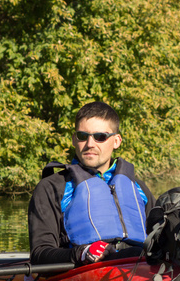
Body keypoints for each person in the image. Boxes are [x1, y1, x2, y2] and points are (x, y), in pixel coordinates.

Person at [28, 101, 154, 265]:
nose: (90, 144)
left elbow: (159, 239)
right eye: (82, 136)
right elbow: (39, 253)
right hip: (83, 271)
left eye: (100, 137)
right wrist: (81, 253)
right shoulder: (52, 187)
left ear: (116, 141)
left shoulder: (138, 188)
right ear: (74, 140)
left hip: (139, 265)